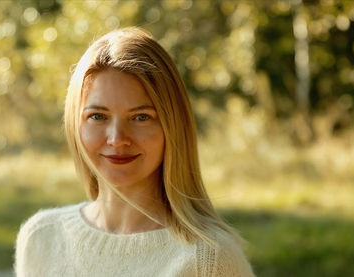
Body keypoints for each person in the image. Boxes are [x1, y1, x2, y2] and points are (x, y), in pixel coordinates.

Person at [14, 27, 255, 277]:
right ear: (75, 125)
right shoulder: (41, 237)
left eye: (141, 117)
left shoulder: (210, 260)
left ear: (172, 125)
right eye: (98, 116)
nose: (117, 139)